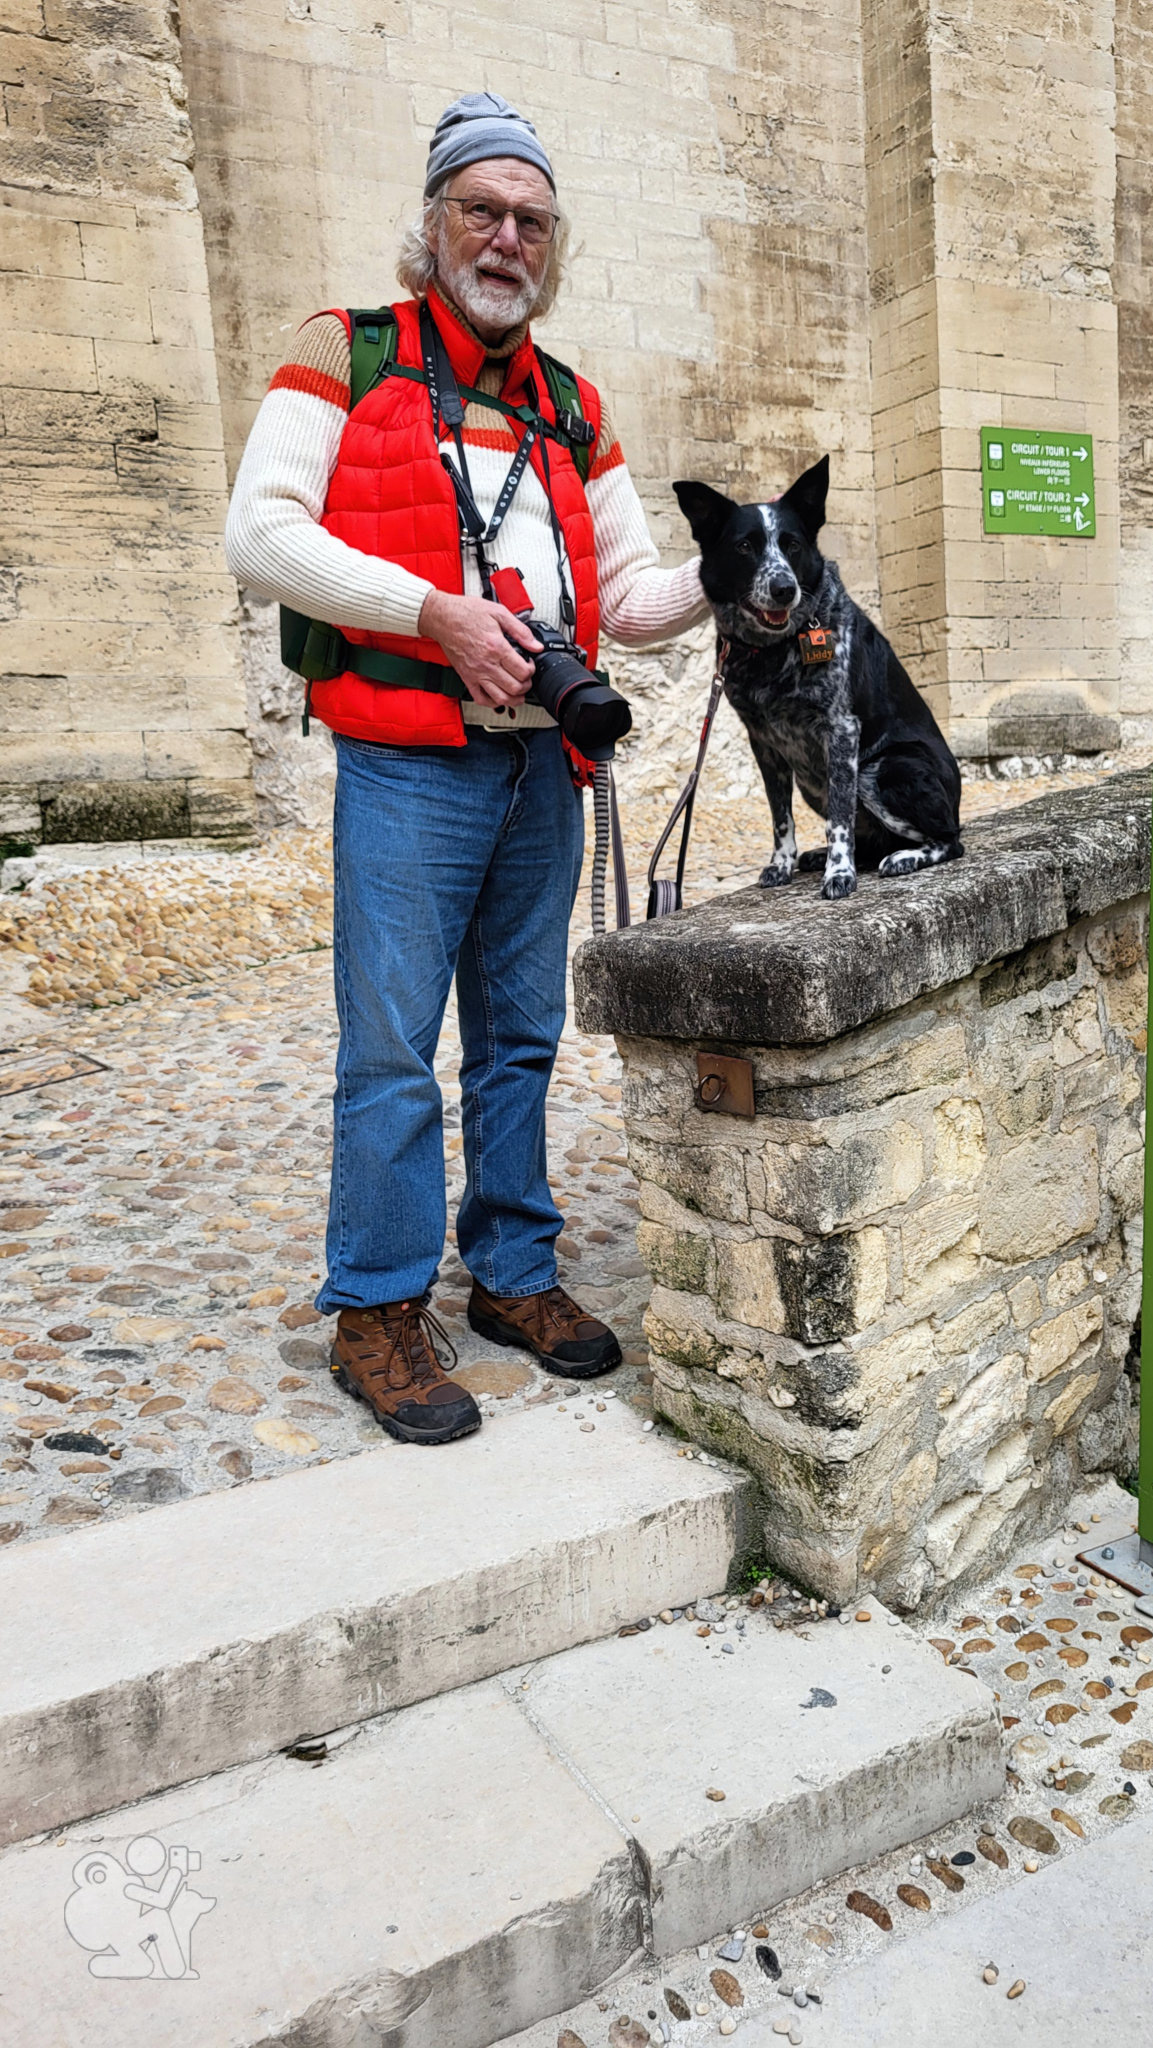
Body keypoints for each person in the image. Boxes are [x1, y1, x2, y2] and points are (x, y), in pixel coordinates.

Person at [225, 93, 708, 1445]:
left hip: (538, 772)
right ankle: (375, 1307)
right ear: (431, 224)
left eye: (532, 220)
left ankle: (510, 1274)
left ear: (555, 245)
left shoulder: (570, 403)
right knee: (390, 1052)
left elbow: (631, 595)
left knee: (521, 1042)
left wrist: (742, 568)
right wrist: (434, 616)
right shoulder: (348, 351)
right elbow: (258, 534)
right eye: (481, 211)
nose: (507, 238)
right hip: (407, 763)